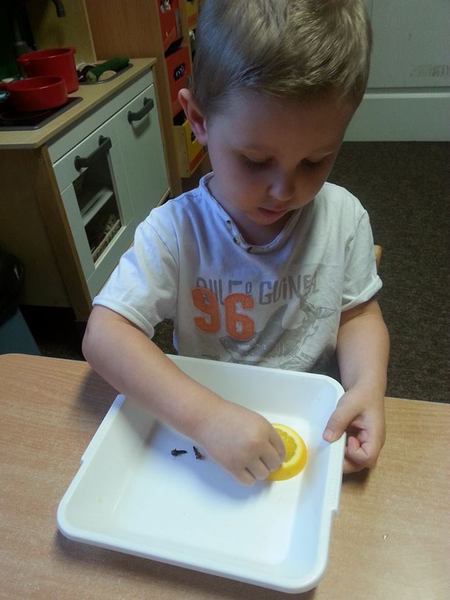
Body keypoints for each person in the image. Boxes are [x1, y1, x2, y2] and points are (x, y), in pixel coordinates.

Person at [83, 0, 389, 485]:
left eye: (314, 162)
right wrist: (205, 417)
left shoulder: (343, 219)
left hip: (306, 420)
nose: (283, 190)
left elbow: (359, 314)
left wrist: (368, 384)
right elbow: (103, 336)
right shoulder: (176, 231)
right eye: (254, 160)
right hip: (202, 424)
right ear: (199, 120)